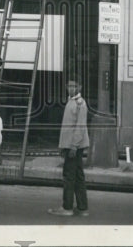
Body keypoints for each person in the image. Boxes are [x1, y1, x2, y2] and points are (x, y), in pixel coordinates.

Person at [48, 76, 89, 217]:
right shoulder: (72, 102)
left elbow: (80, 127)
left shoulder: (79, 104)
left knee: (69, 176)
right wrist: (62, 145)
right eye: (69, 86)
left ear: (80, 87)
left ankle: (67, 207)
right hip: (71, 145)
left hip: (74, 146)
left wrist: (73, 146)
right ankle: (82, 207)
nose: (71, 88)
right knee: (78, 175)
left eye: (74, 86)